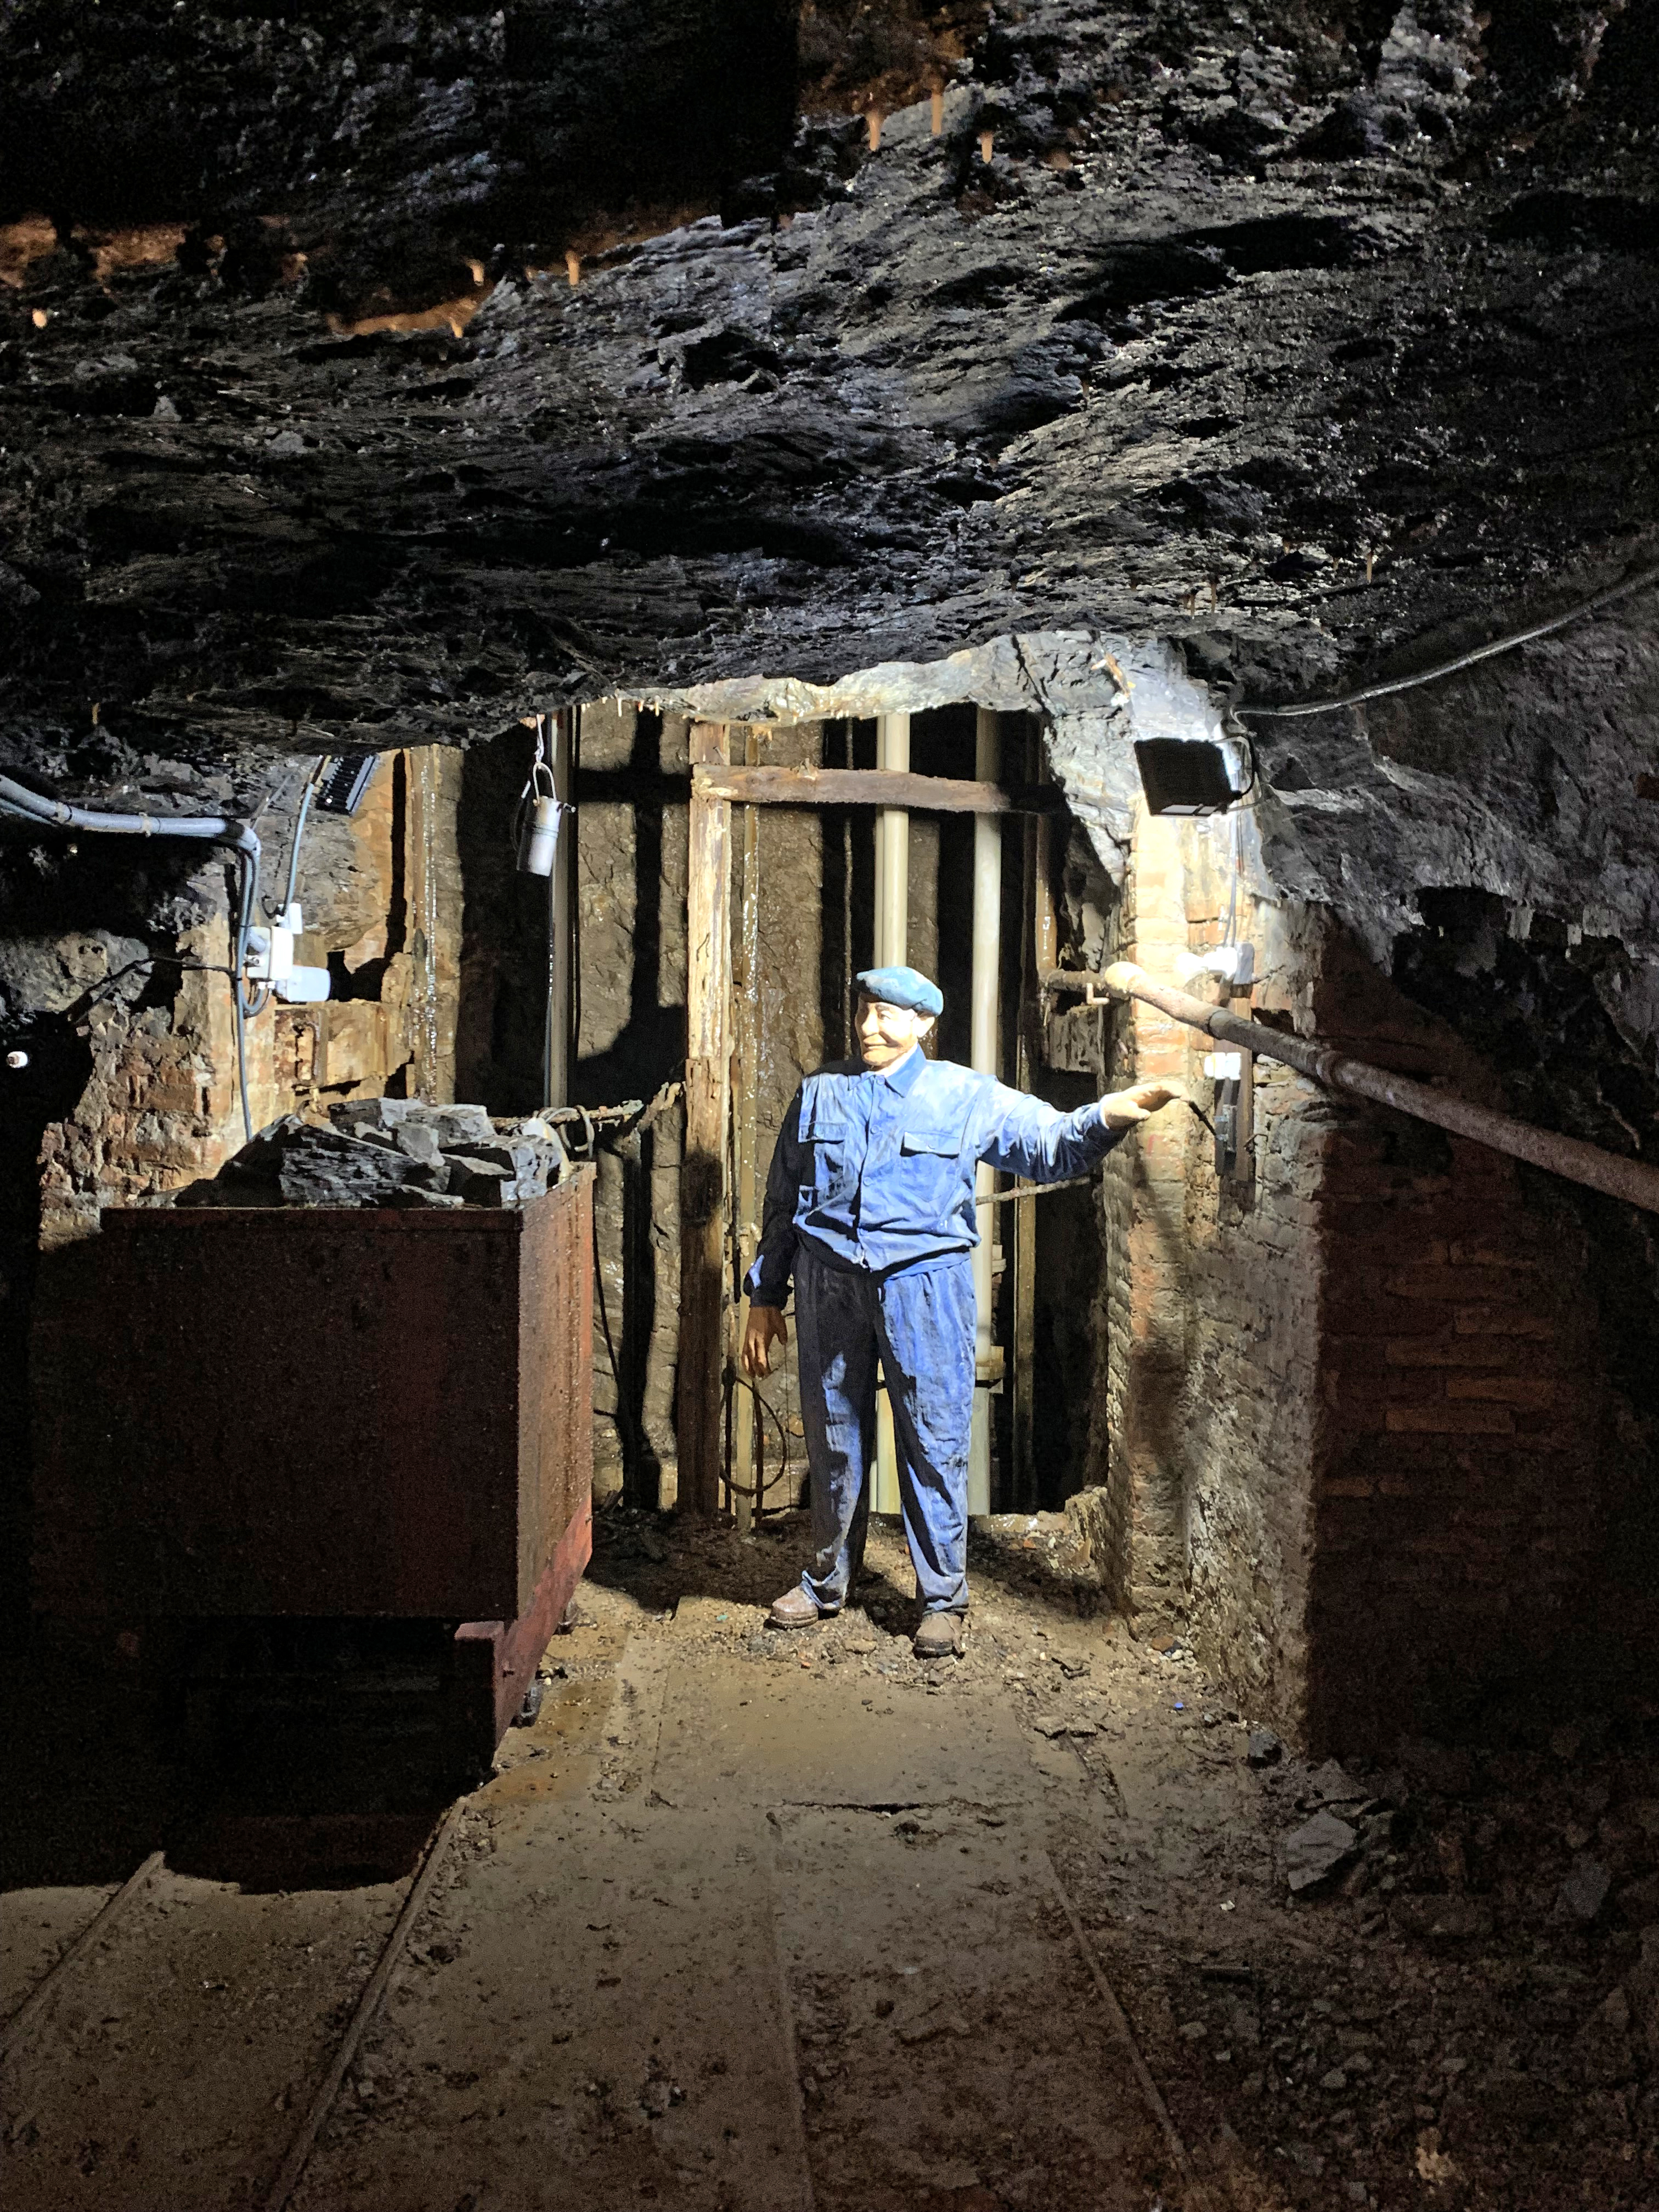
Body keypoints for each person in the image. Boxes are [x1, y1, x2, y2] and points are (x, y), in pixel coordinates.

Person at [740, 963, 1186, 1658]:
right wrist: (765, 1298)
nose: (868, 1026)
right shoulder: (820, 1093)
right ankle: (827, 1580)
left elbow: (1048, 1145)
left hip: (925, 1287)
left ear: (923, 1025)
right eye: (864, 1010)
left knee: (933, 1436)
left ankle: (941, 1599)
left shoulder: (963, 1095)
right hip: (828, 1284)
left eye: (887, 1015)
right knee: (832, 1435)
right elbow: (783, 1200)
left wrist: (1108, 1117)